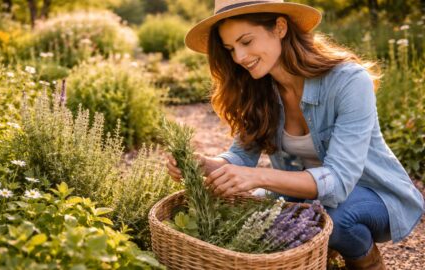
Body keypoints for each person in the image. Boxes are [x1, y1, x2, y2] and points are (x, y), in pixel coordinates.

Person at [166, 0, 424, 269]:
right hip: (307, 197)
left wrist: (257, 177)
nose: (239, 58)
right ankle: (321, 254)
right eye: (231, 49)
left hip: (373, 191)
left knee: (334, 218)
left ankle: (366, 260)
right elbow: (241, 156)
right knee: (255, 217)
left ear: (279, 27)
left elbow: (338, 180)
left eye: (246, 41)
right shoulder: (258, 87)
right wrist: (204, 164)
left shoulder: (348, 81)